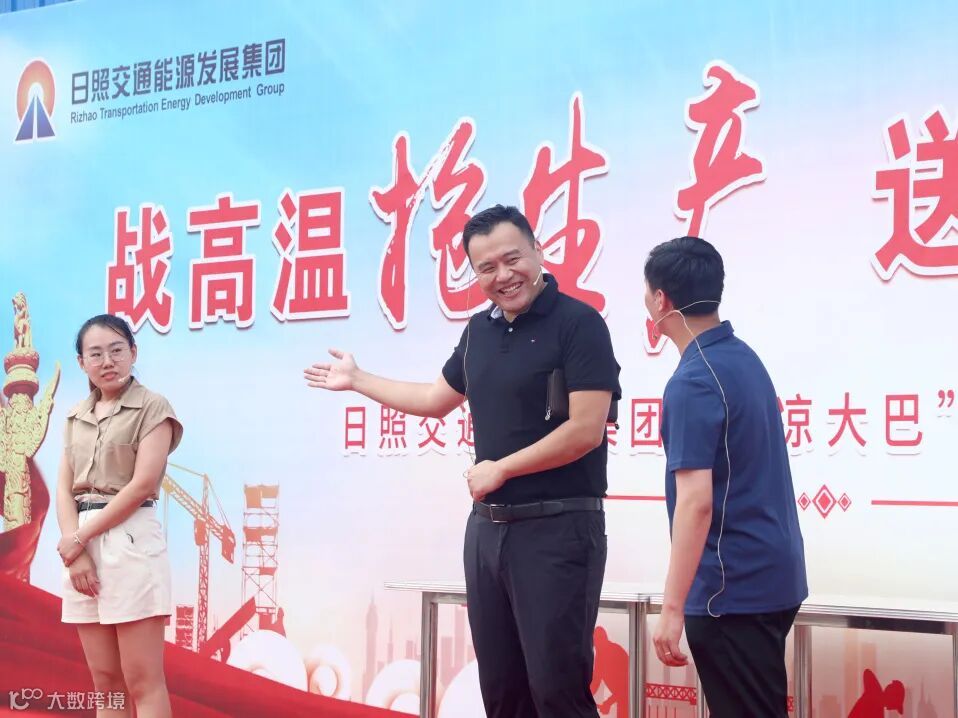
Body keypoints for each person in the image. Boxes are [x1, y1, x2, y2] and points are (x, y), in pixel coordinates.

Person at [305, 204, 621, 717]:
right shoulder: (479, 332)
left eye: (512, 259)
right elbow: (435, 398)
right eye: (486, 268)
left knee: (556, 691)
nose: (503, 276)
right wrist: (359, 380)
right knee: (501, 692)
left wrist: (503, 468)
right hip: (488, 532)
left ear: (538, 251)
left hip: (558, 530)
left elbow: (585, 430)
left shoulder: (578, 324)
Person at [644, 236, 807, 717]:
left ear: (661, 300)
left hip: (731, 590)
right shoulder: (742, 358)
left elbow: (696, 503)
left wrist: (672, 608)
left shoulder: (694, 381)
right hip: (769, 578)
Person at [56, 314, 183, 718]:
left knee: (142, 680)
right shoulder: (76, 416)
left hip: (130, 541)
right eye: (95, 354)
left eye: (116, 350)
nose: (107, 361)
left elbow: (142, 485)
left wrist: (79, 539)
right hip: (82, 545)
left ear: (133, 353)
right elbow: (64, 488)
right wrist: (76, 550)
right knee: (105, 682)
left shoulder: (153, 407)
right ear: (81, 363)